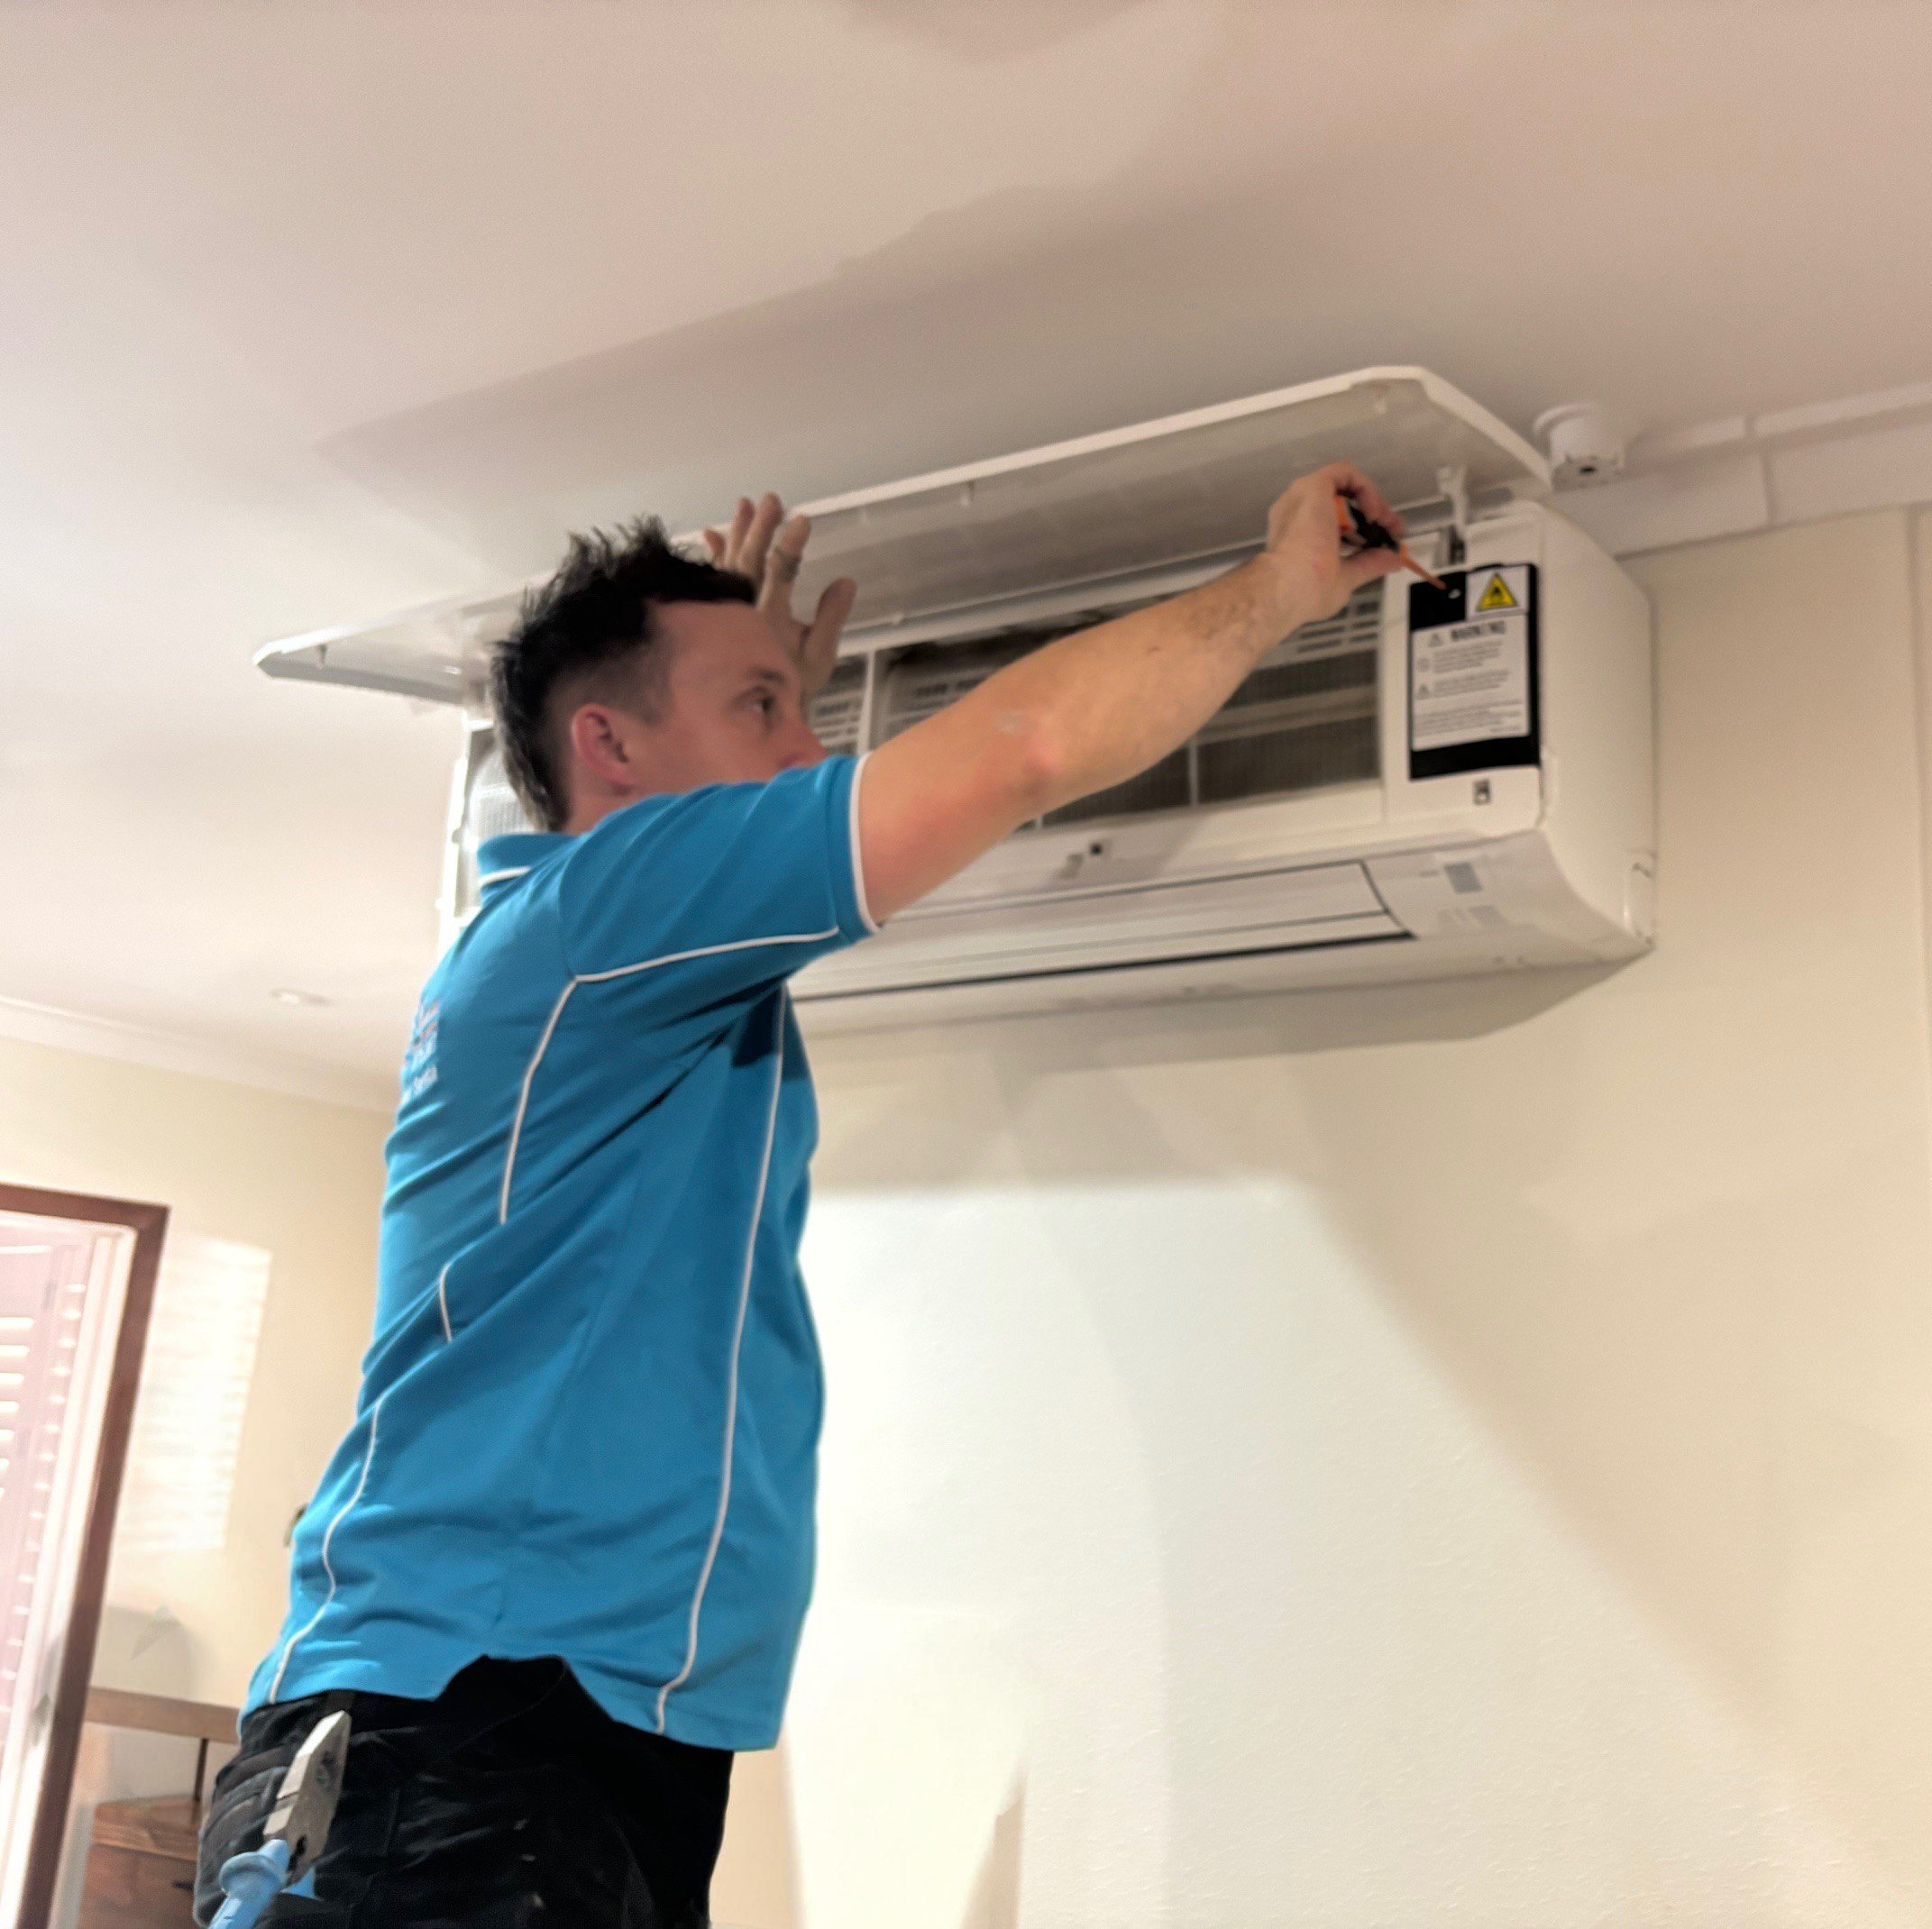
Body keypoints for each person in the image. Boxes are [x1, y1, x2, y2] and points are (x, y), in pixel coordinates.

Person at [196, 463, 1406, 1926]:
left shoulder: (619, 956)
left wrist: (744, 689)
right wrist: (1284, 582)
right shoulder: (598, 906)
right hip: (466, 1716)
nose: (812, 743)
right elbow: (1023, 747)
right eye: (764, 706)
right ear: (608, 748)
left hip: (557, 1730)